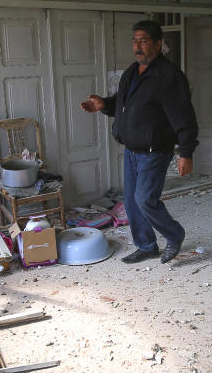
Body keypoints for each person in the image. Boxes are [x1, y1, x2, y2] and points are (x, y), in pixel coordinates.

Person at [80, 20, 198, 264]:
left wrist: (186, 151)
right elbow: (123, 105)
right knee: (132, 203)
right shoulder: (132, 72)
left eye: (143, 40)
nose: (138, 45)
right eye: (135, 40)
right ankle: (146, 246)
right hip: (132, 150)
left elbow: (184, 115)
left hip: (155, 151)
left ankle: (174, 234)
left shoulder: (169, 76)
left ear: (157, 44)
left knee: (145, 199)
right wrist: (103, 104)